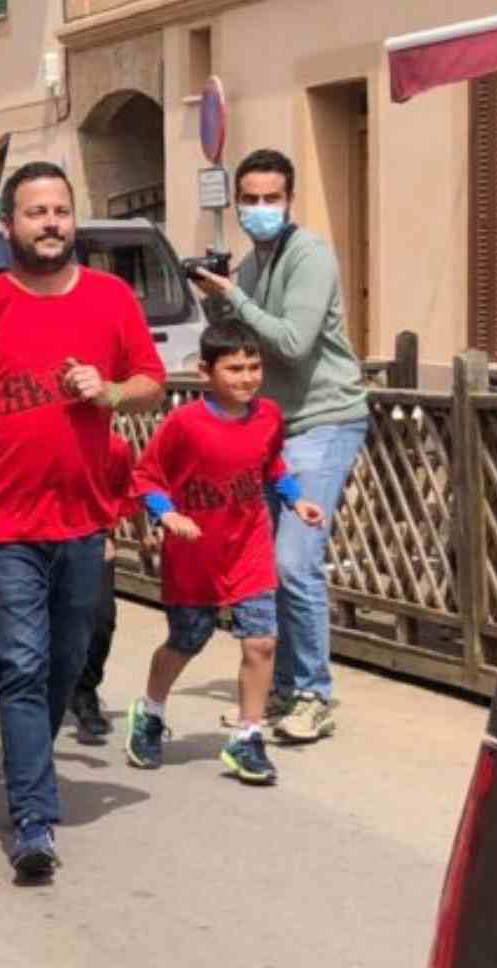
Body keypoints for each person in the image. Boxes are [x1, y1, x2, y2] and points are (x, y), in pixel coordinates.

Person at [0, 162, 166, 881]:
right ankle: (33, 821)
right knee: (20, 666)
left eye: (60, 210)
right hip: (4, 523)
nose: (49, 222)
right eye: (34, 212)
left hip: (83, 522)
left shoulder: (112, 297)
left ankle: (29, 761)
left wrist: (110, 389)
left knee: (61, 664)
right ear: (9, 225)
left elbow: (152, 381)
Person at [188, 148, 368, 745]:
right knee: (263, 564)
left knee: (296, 562)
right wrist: (219, 299)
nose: (261, 209)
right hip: (275, 429)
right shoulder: (254, 261)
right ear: (236, 203)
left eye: (272, 199)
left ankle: (314, 693)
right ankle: (279, 690)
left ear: (290, 201)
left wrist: (235, 297)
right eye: (251, 200)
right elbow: (247, 342)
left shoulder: (308, 254)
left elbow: (291, 342)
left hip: (324, 420)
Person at [126, 320, 326, 784]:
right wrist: (167, 515)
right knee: (188, 639)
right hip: (194, 554)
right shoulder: (183, 424)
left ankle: (248, 736)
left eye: (254, 367)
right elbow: (146, 477)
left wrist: (296, 499)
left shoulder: (270, 416)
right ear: (204, 372)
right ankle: (151, 712)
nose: (247, 377)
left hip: (248, 547)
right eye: (234, 368)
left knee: (261, 641)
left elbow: (273, 465)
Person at [70, 433, 138, 742]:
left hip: (93, 538)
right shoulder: (39, 435)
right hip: (39, 536)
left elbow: (127, 493)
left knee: (100, 620)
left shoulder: (116, 447)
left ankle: (85, 689)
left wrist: (139, 534)